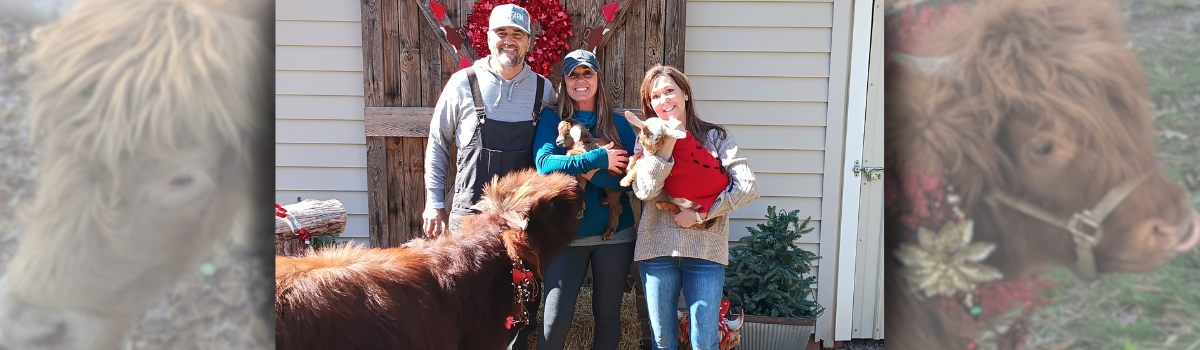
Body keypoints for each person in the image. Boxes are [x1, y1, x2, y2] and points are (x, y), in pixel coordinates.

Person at [420, 4, 555, 349]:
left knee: (521, 306)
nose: (509, 40)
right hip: (469, 220)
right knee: (467, 304)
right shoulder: (462, 84)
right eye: (502, 33)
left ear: (529, 42)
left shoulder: (544, 91)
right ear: (488, 37)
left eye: (517, 34)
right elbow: (437, 144)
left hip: (522, 223)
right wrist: (434, 203)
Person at [629, 65, 760, 350]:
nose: (664, 100)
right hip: (658, 251)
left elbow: (748, 187)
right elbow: (646, 191)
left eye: (669, 91)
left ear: (685, 93)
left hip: (705, 252)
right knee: (663, 341)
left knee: (704, 341)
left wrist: (701, 215)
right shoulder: (648, 139)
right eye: (655, 96)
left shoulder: (716, 138)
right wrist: (667, 143)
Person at [531, 49, 634, 350]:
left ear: (597, 78)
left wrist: (591, 174)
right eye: (573, 75)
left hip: (615, 237)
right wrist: (597, 160)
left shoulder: (618, 124)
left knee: (607, 316)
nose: (580, 80)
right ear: (563, 82)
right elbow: (544, 165)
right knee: (555, 319)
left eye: (587, 73)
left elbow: (633, 183)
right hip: (566, 235)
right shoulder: (553, 119)